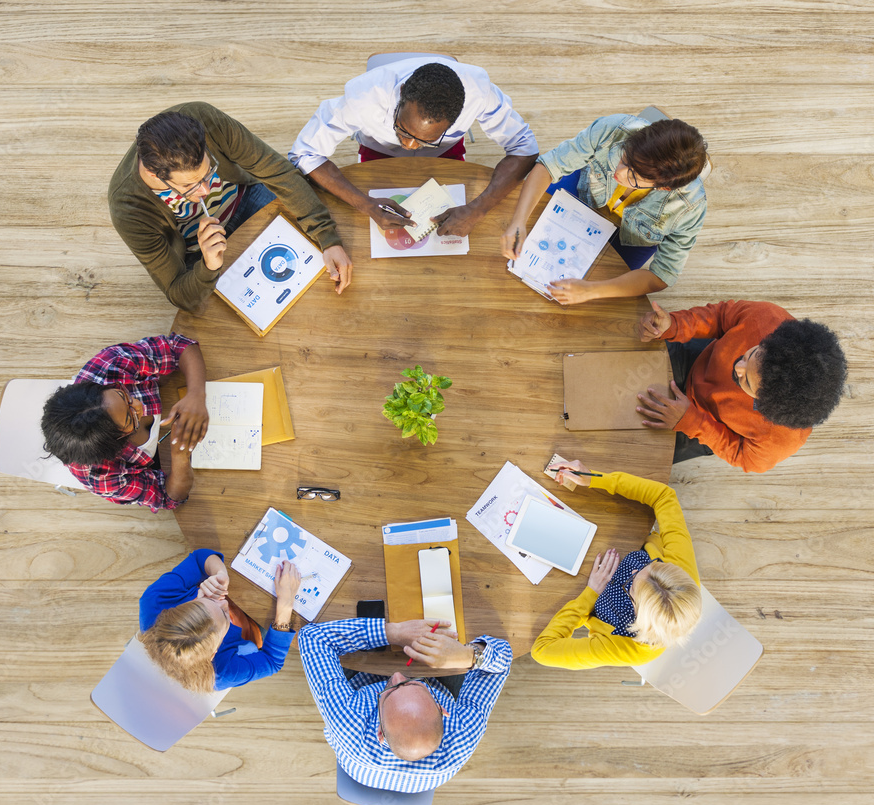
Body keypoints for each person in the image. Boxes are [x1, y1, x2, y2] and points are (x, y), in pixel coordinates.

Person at [109, 102, 353, 312]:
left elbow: (277, 172)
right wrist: (208, 265)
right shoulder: (128, 208)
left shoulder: (203, 119)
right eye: (191, 186)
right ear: (153, 174)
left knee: (319, 264)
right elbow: (179, 293)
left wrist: (327, 237)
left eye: (208, 173)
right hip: (198, 252)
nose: (206, 190)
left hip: (247, 198)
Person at [289, 58, 538, 237]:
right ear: (402, 92)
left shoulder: (479, 93)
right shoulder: (363, 97)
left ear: (459, 117)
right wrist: (365, 204)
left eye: (425, 139)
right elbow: (304, 153)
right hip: (378, 153)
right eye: (403, 129)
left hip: (445, 154)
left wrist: (478, 208)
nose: (409, 146)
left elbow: (525, 147)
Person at [501, 114, 708, 301]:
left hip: (628, 240)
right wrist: (518, 220)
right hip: (584, 191)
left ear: (663, 188)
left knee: (598, 289)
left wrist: (591, 291)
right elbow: (549, 165)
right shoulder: (615, 129)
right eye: (625, 157)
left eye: (634, 176)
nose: (619, 172)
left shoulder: (690, 209)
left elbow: (662, 275)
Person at [298, 616, 512, 793]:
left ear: (379, 732)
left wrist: (393, 633)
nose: (398, 674)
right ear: (442, 709)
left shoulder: (349, 721)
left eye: (391, 691)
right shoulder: (463, 734)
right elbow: (503, 658)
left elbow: (312, 637)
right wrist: (469, 656)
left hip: (360, 696)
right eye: (409, 683)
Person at [635, 299, 848, 472]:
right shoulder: (768, 317)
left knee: (633, 456)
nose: (738, 368)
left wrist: (694, 423)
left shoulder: (782, 438)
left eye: (746, 382)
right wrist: (675, 325)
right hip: (696, 359)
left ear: (764, 406)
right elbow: (720, 317)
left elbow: (742, 455)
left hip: (706, 426)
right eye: (751, 354)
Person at [532, 462, 701, 670]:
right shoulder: (682, 574)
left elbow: (542, 651)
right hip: (622, 536)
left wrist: (591, 594)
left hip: (578, 590)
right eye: (651, 565)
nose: (633, 570)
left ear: (638, 612)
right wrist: (595, 478)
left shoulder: (630, 649)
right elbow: (664, 496)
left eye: (632, 583)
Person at [41, 333, 208, 511]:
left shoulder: (109, 366)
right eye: (130, 417)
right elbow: (168, 496)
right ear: (115, 444)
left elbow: (178, 346)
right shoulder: (103, 478)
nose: (138, 404)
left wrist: (196, 394)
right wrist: (180, 456)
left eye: (123, 395)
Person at [139, 548, 301, 692]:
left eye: (204, 600)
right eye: (225, 615)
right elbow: (272, 661)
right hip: (253, 630)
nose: (223, 601)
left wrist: (219, 573)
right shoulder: (222, 673)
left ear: (176, 609)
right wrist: (286, 604)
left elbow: (198, 558)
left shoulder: (154, 600)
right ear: (214, 651)